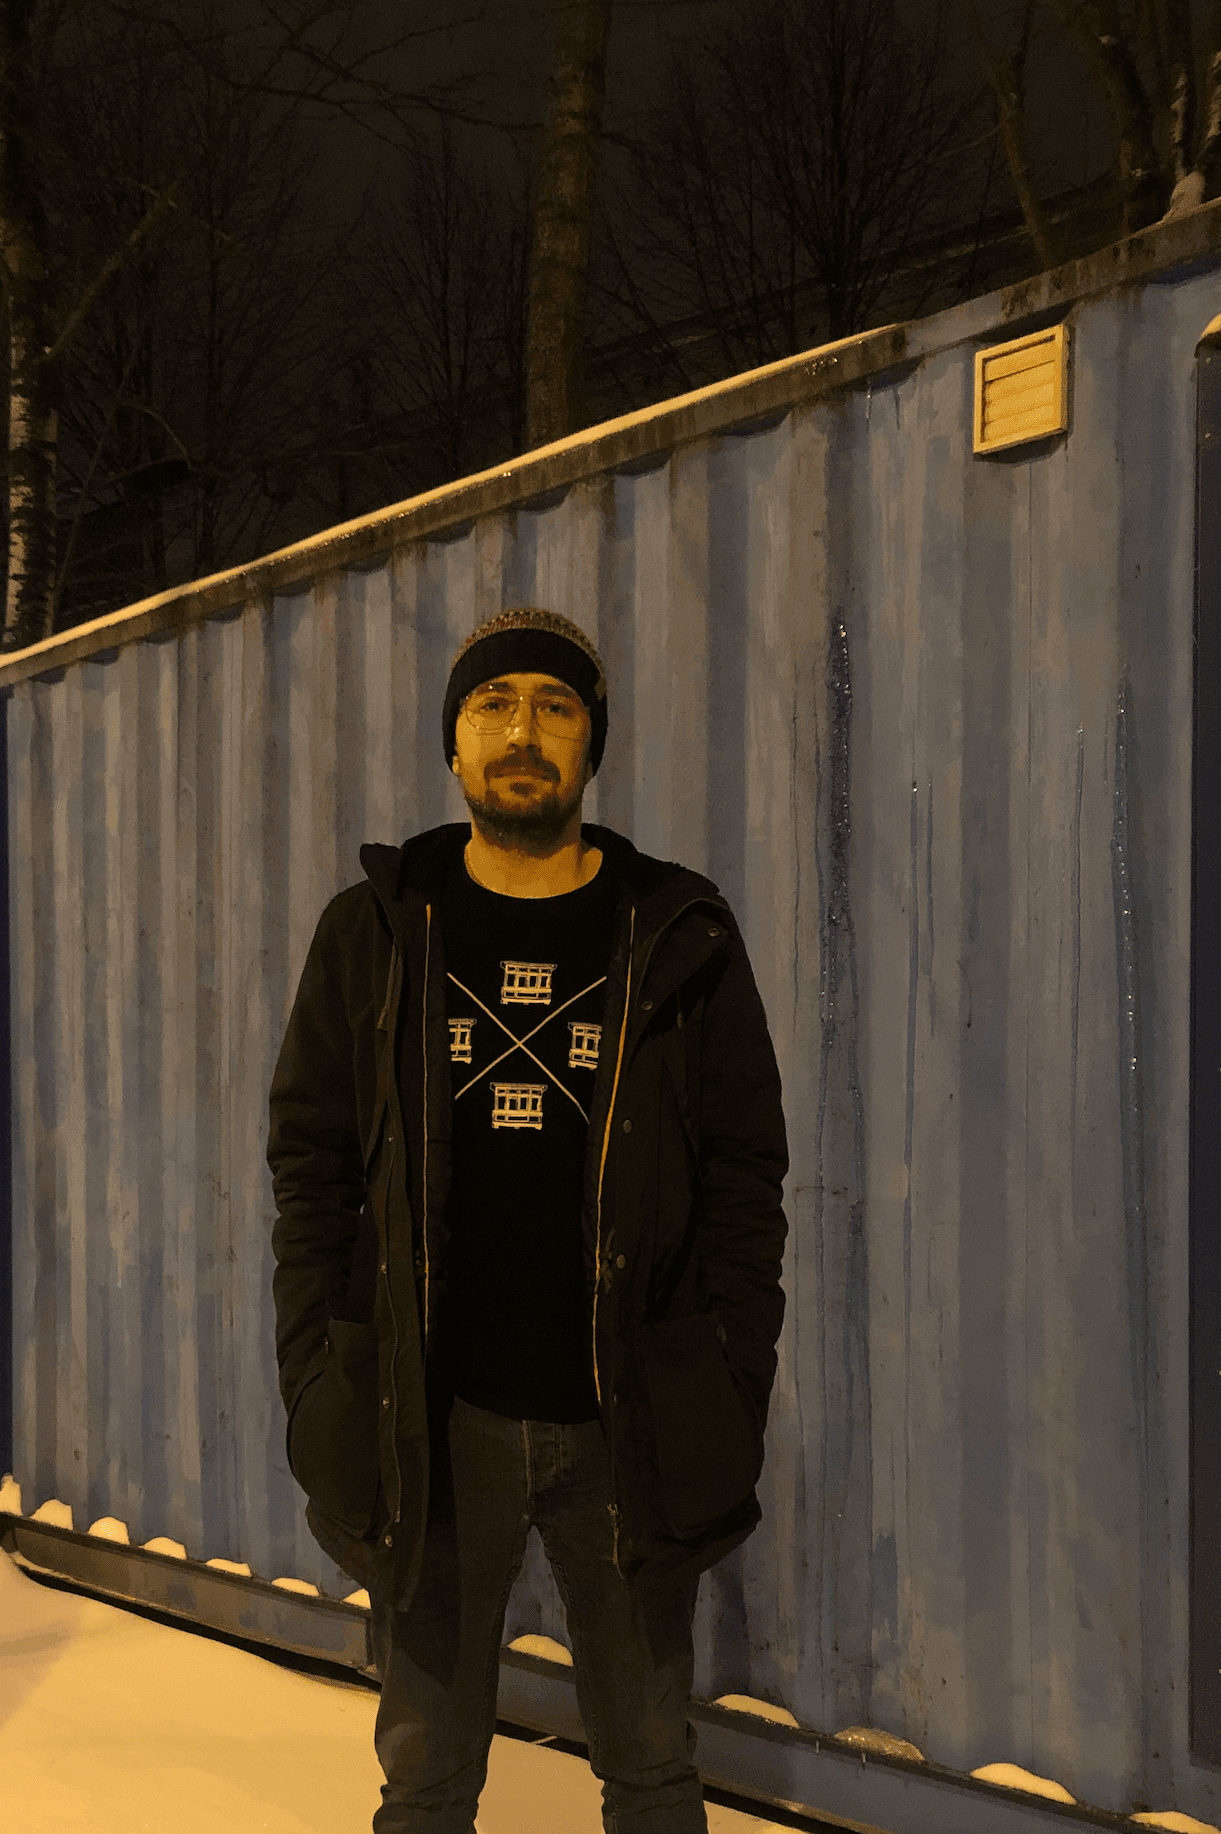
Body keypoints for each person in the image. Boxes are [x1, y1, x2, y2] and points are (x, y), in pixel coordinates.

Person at [268, 606, 791, 1833]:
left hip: (626, 1419)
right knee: (425, 1776)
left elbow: (743, 1178)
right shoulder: (376, 928)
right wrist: (319, 1369)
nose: (522, 730)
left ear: (589, 744)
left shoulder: (678, 932)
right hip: (430, 1421)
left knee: (651, 1766)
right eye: (492, 703)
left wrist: (728, 1371)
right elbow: (310, 1165)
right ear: (451, 743)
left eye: (554, 706)